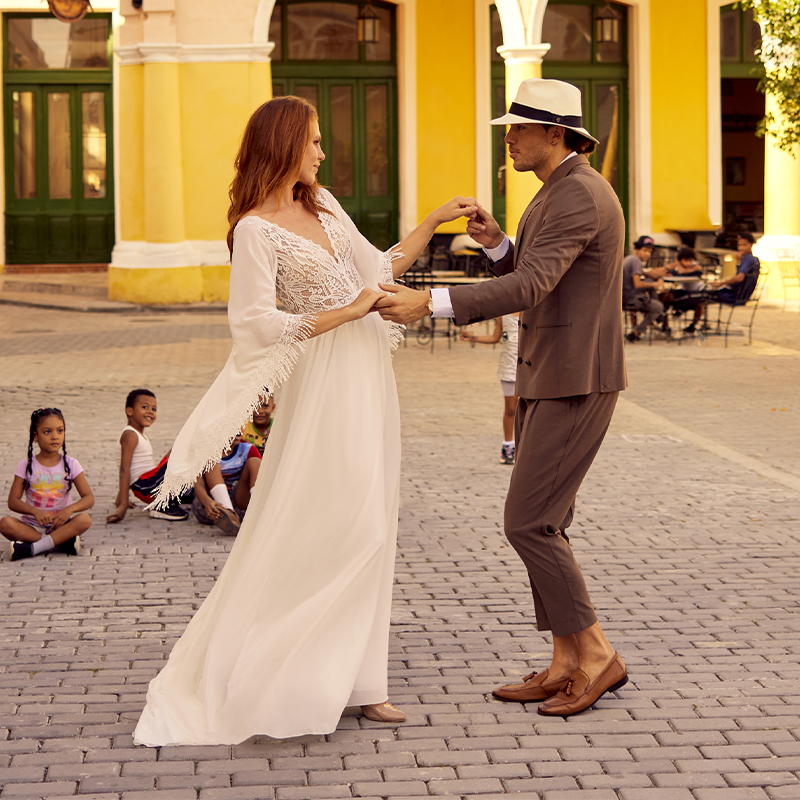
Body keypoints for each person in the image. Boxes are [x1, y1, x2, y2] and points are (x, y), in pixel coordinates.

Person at [132, 96, 476, 746]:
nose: (322, 152)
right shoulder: (255, 230)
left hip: (370, 380)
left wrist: (436, 218)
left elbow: (381, 270)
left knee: (375, 521)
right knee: (339, 523)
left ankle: (363, 682)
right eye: (314, 141)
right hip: (322, 385)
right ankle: (294, 672)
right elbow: (255, 325)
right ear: (286, 144)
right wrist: (348, 313)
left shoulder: (324, 205)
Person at [376, 78, 629, 717]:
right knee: (547, 523)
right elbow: (532, 269)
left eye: (516, 127)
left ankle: (596, 656)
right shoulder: (557, 191)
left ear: (554, 133)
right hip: (554, 373)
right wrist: (496, 244)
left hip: (577, 378)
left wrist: (428, 302)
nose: (507, 137)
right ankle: (567, 661)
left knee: (529, 522)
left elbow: (533, 286)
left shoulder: (577, 195)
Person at [0, 407, 94, 561]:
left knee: (84, 519)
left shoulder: (71, 464)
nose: (55, 437)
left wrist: (69, 510)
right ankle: (60, 543)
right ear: (35, 436)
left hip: (61, 525)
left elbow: (89, 497)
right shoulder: (25, 465)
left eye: (60, 431)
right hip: (31, 527)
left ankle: (33, 548)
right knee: (5, 524)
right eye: (47, 432)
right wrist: (34, 511)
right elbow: (13, 501)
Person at [106, 389, 191, 524]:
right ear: (130, 411)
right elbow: (124, 469)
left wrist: (119, 499)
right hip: (147, 487)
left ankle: (183, 495)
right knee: (185, 449)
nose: (150, 411)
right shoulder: (130, 435)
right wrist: (123, 504)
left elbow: (133, 468)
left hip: (149, 483)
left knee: (180, 450)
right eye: (145, 407)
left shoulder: (139, 436)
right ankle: (160, 506)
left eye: (154, 409)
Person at [459, 314, 520, 464]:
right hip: (509, 365)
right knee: (511, 409)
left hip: (531, 365)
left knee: (529, 410)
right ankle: (508, 446)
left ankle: (526, 448)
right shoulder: (504, 315)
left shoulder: (534, 309)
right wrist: (473, 338)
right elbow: (495, 338)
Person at [191, 437, 262, 535]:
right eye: (233, 427)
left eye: (240, 426)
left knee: (255, 462)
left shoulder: (247, 448)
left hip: (238, 504)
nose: (238, 431)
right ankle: (229, 514)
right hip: (212, 508)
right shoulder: (205, 450)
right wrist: (207, 501)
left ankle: (260, 513)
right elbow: (198, 483)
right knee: (212, 459)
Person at [622, 235, 668, 341]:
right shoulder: (636, 261)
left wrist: (656, 279)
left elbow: (644, 273)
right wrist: (655, 284)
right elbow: (638, 284)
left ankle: (658, 317)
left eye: (650, 251)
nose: (648, 254)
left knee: (650, 282)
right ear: (638, 250)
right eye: (645, 250)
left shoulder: (631, 259)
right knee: (659, 307)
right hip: (630, 297)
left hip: (625, 294)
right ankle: (637, 331)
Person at [705, 232, 760, 305]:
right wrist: (739, 261)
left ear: (751, 244)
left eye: (744, 245)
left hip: (732, 295)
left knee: (702, 294)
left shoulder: (748, 258)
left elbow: (739, 278)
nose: (741, 248)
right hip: (741, 295)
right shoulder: (754, 260)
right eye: (739, 245)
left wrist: (721, 283)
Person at [661, 246, 707, 334]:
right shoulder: (678, 265)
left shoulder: (696, 267)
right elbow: (665, 269)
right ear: (681, 260)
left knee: (701, 303)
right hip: (684, 291)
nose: (689, 263)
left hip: (696, 292)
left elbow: (681, 272)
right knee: (664, 296)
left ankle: (693, 325)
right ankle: (665, 324)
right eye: (686, 260)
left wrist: (678, 264)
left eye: (691, 260)